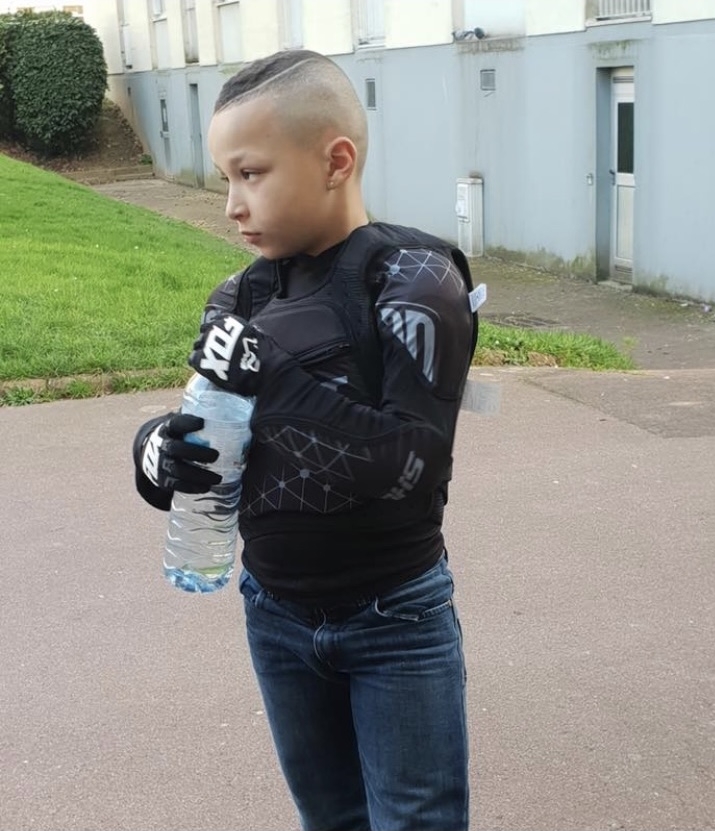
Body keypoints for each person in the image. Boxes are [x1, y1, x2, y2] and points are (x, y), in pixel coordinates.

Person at [132, 49, 479, 831]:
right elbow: (212, 435)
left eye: (250, 173)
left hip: (394, 617)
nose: (231, 204)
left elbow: (410, 467)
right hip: (275, 612)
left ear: (335, 161)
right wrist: (156, 452)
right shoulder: (240, 295)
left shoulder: (414, 278)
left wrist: (272, 376)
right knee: (328, 820)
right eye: (226, 177)